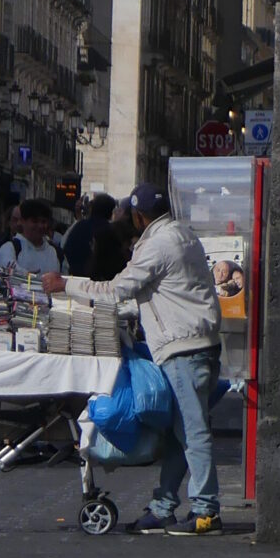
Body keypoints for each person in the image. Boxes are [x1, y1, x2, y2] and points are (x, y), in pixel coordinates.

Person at [112, 182, 223, 536]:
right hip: (196, 345)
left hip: (183, 351)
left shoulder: (158, 244)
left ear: (138, 216)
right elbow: (166, 293)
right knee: (180, 434)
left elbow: (118, 287)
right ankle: (164, 507)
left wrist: (66, 286)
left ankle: (207, 511)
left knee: (193, 431)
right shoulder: (183, 235)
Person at [0, 197, 65, 283]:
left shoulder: (57, 253)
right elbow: (7, 270)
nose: (40, 226)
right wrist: (26, 276)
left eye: (43, 222)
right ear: (22, 221)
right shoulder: (9, 248)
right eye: (35, 221)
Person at [62, 193, 117, 278]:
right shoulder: (111, 231)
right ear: (110, 212)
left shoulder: (79, 226)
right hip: (101, 283)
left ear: (92, 209)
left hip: (76, 278)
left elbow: (66, 249)